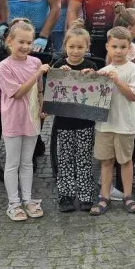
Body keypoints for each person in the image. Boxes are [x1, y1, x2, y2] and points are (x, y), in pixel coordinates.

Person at [0, 19, 50, 221]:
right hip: (13, 119)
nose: (25, 47)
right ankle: (14, 202)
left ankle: (27, 199)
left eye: (29, 42)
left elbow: (40, 89)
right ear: (9, 41)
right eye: (21, 42)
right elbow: (18, 93)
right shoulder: (4, 66)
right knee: (12, 162)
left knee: (27, 162)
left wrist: (43, 105)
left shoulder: (35, 62)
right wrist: (37, 74)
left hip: (31, 118)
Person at [91, 26, 135, 216]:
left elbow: (132, 96)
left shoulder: (133, 70)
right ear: (107, 47)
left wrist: (117, 81)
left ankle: (128, 195)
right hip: (105, 125)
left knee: (126, 160)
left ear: (129, 48)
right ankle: (104, 196)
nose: (119, 51)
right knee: (106, 161)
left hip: (125, 125)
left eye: (123, 47)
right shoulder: (104, 70)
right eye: (115, 46)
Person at [51, 28, 102, 213]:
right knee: (64, 159)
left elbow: (97, 93)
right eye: (71, 46)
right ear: (65, 46)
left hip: (85, 121)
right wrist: (58, 73)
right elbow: (51, 90)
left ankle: (85, 194)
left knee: (84, 158)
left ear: (87, 47)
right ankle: (66, 195)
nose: (75, 51)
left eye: (80, 47)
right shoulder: (58, 64)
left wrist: (94, 77)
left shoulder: (91, 66)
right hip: (63, 121)